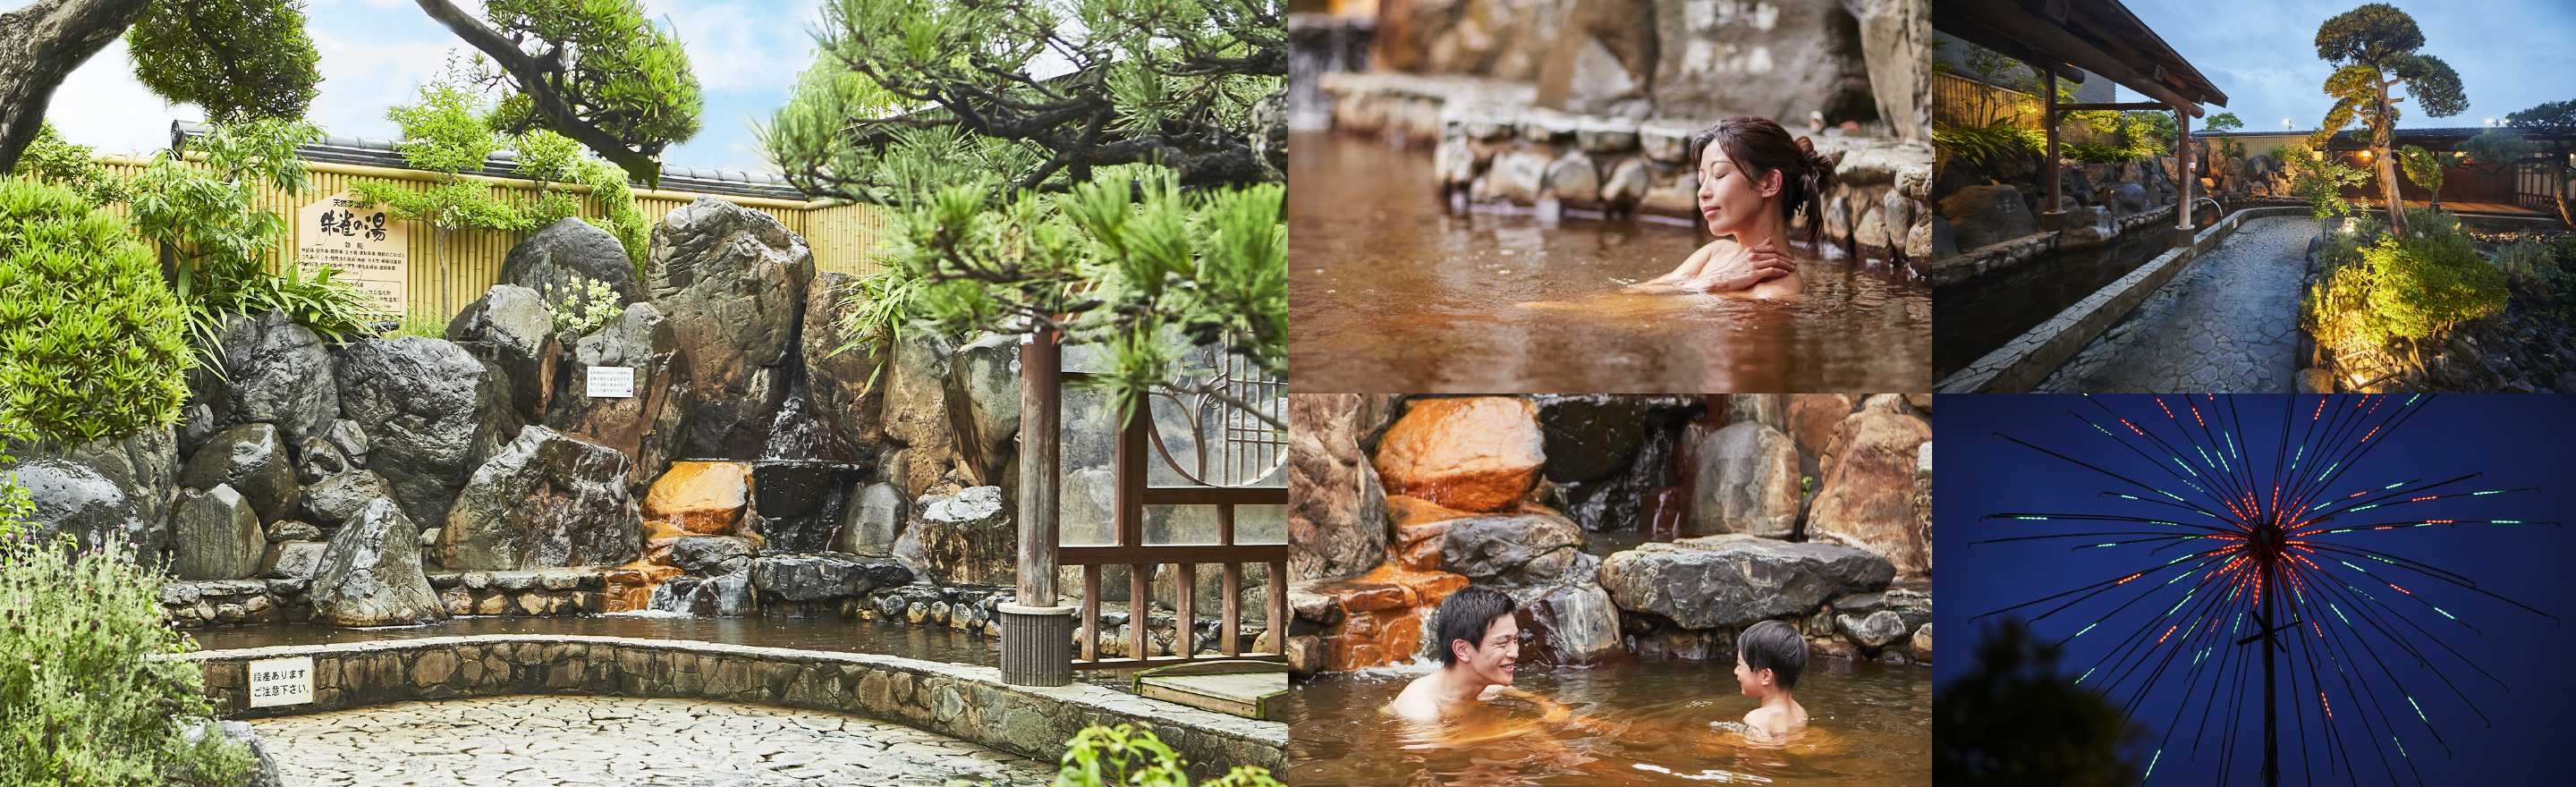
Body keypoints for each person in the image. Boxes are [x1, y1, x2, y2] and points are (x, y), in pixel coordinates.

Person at [1636, 116, 1842, 298]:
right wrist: (1715, 281)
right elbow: (1630, 299)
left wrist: (1711, 284)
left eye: (1719, 175)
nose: (1702, 192)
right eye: (1702, 179)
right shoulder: (1715, 253)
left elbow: (1624, 314)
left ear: (1769, 183)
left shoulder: (1775, 296)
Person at [1388, 586, 1522, 722]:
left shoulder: (1492, 686)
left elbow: (1541, 703)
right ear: (1462, 649)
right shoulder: (1418, 704)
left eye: (1515, 640)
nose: (1514, 653)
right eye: (1502, 643)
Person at [1733, 620, 1812, 741]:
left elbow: (1759, 758)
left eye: (1739, 664)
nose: (1736, 671)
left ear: (1765, 676)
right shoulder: (1801, 712)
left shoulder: (1757, 719)